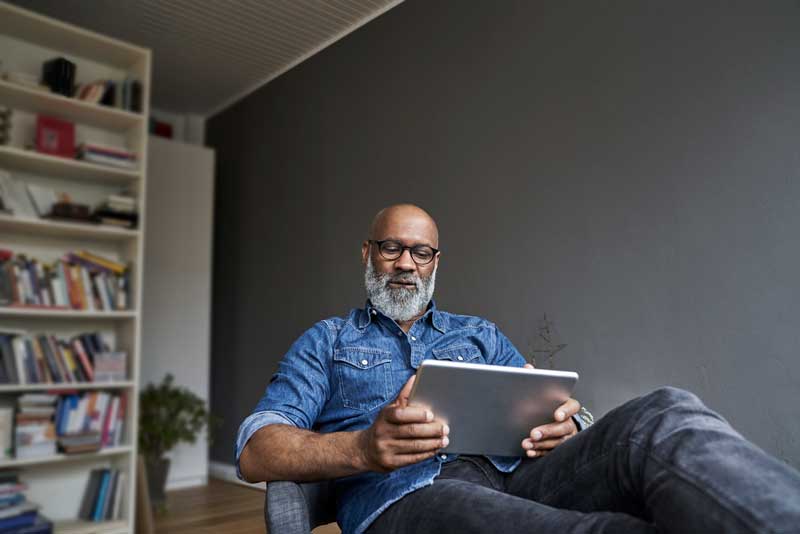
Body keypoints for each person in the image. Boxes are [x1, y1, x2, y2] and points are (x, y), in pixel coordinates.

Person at [236, 204, 800, 534]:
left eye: (421, 252)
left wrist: (569, 425)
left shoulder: (477, 333)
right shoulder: (329, 340)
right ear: (367, 254)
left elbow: (550, 403)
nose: (406, 262)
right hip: (405, 496)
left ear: (436, 263)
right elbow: (256, 449)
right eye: (391, 247)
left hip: (519, 473)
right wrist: (362, 449)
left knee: (665, 414)